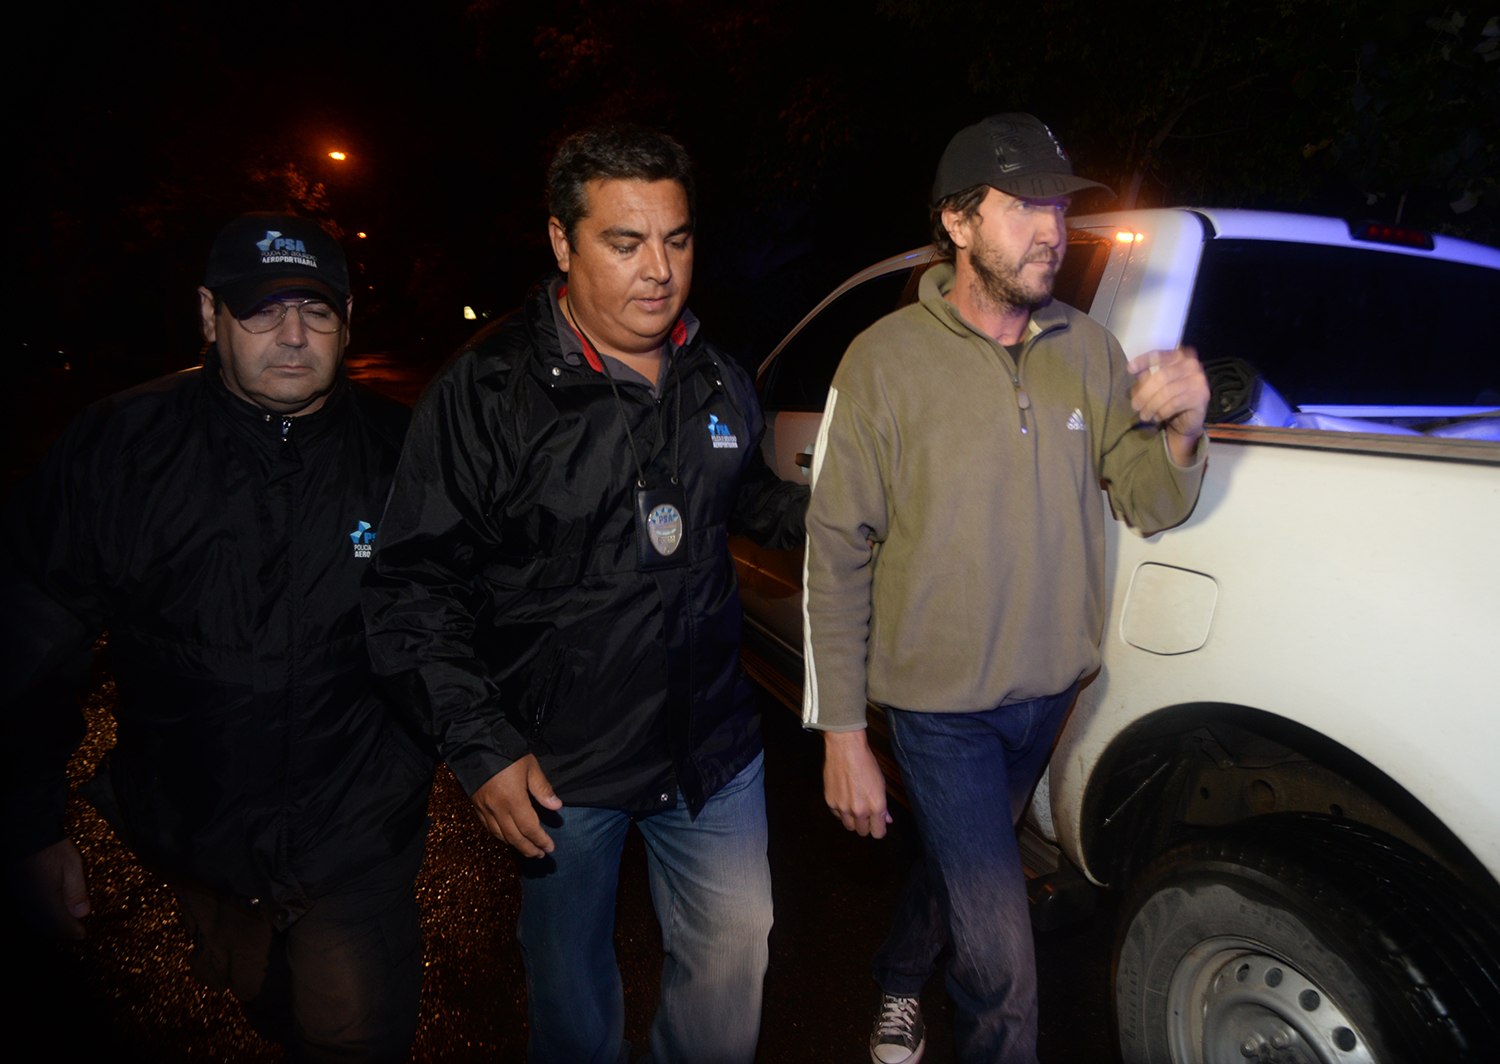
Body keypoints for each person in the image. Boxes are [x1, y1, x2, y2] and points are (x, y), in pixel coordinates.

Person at [362, 124, 807, 1064]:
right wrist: (481, 746)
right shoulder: (488, 392)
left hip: (712, 751)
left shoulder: (716, 374)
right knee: (571, 1002)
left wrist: (850, 514)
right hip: (561, 771)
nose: (660, 271)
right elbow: (410, 588)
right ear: (562, 242)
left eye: (677, 239)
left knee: (733, 963)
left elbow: (747, 499)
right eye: (625, 242)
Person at [802, 113, 1210, 1064]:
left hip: (1046, 697)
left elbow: (1149, 500)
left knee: (962, 862)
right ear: (956, 222)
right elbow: (835, 548)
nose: (1050, 230)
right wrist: (843, 735)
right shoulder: (882, 361)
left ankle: (899, 976)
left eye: (1058, 209)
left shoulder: (1089, 349)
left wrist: (1187, 429)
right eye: (1021, 206)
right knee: (1003, 968)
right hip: (939, 709)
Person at [1, 212, 434, 1062]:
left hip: (356, 837)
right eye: (262, 309)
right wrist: (28, 827)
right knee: (265, 1000)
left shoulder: (406, 453)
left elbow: (474, 615)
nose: (293, 336)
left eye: (316, 311)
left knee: (356, 1032)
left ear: (347, 322)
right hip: (199, 836)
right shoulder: (121, 449)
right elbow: (27, 637)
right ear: (209, 314)